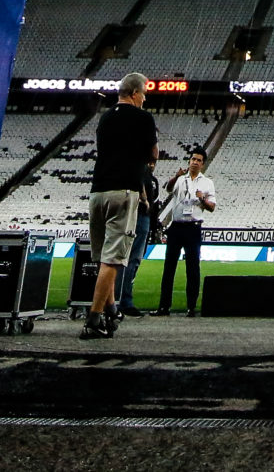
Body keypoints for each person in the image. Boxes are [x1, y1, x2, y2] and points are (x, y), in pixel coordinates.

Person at [83, 72, 157, 338]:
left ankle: (111, 309)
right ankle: (93, 319)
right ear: (135, 93)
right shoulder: (143, 118)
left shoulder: (105, 117)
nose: (145, 98)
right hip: (123, 192)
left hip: (97, 192)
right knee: (113, 259)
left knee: (104, 257)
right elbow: (153, 153)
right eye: (144, 94)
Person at [156, 146, 218, 315]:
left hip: (193, 227)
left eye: (198, 160)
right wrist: (176, 176)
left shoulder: (207, 183)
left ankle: (191, 306)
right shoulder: (181, 179)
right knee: (169, 267)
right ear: (189, 161)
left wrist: (202, 199)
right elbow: (168, 189)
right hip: (176, 226)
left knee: (192, 268)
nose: (195, 162)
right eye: (193, 159)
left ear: (202, 164)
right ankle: (164, 306)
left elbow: (212, 207)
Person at [118, 161, 159, 316]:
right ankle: (125, 300)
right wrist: (144, 198)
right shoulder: (141, 171)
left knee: (128, 259)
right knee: (132, 259)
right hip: (139, 216)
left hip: (139, 217)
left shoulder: (150, 177)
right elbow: (137, 182)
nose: (152, 164)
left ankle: (118, 298)